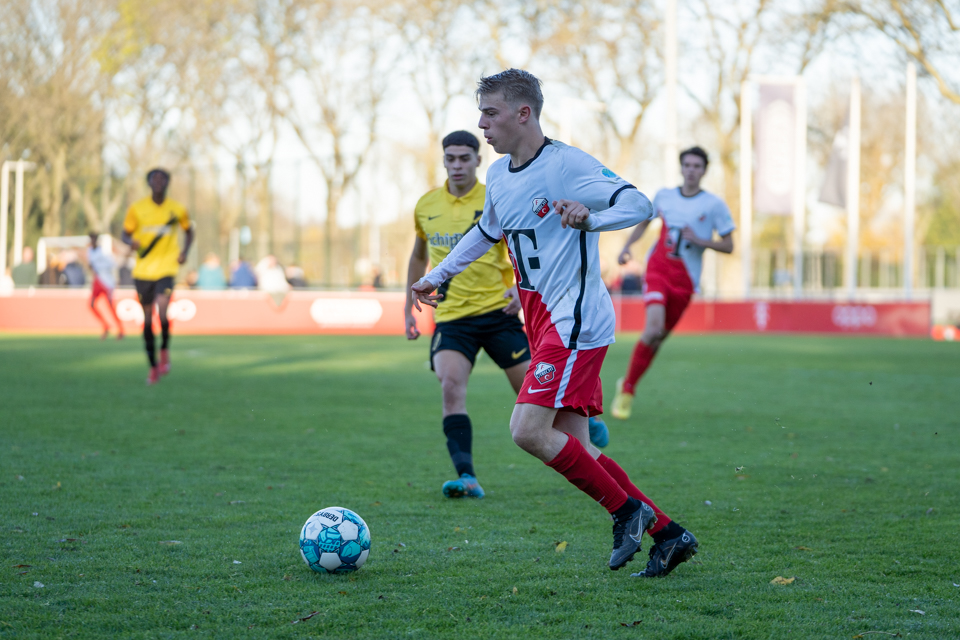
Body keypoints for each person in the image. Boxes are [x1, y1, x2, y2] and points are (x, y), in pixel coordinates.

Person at [412, 69, 697, 578]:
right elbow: (487, 232)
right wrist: (436, 275)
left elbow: (638, 203)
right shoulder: (499, 174)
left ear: (524, 114)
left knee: (526, 431)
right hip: (542, 319)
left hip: (575, 320)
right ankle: (669, 535)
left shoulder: (566, 165)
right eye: (481, 113)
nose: (481, 124)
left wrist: (590, 218)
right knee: (581, 449)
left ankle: (628, 512)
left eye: (490, 113)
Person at [611, 147, 734, 420]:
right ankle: (628, 390)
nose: (691, 170)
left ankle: (628, 382)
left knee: (657, 339)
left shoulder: (713, 205)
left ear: (704, 170)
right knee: (652, 328)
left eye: (697, 166)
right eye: (687, 165)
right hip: (658, 270)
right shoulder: (664, 196)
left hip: (686, 281)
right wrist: (628, 245)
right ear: (681, 168)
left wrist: (701, 240)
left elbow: (728, 245)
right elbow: (645, 222)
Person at [122, 168, 194, 385]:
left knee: (162, 312)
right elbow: (125, 233)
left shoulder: (177, 209)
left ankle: (164, 350)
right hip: (143, 272)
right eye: (155, 178)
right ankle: (153, 366)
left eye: (163, 178)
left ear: (168, 183)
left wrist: (184, 253)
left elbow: (189, 231)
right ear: (149, 183)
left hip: (166, 269)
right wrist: (130, 242)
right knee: (146, 321)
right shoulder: (137, 208)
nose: (159, 182)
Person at [87, 233, 124, 340]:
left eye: (93, 239)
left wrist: (115, 280)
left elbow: (113, 264)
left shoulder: (103, 252)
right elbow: (91, 266)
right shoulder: (89, 251)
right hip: (97, 281)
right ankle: (106, 325)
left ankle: (120, 329)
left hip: (107, 282)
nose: (92, 242)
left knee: (111, 306)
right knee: (92, 304)